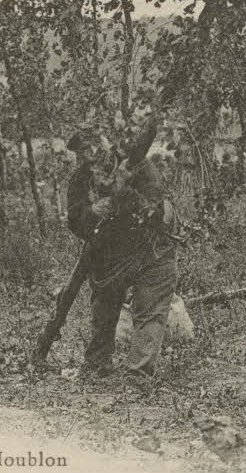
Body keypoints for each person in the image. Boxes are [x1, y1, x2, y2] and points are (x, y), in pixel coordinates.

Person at [65, 110, 181, 379]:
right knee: (103, 300)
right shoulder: (81, 178)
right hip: (113, 251)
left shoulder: (137, 165)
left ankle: (138, 375)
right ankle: (97, 364)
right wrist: (93, 211)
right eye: (79, 153)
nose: (82, 157)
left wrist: (122, 195)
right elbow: (74, 220)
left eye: (86, 149)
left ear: (104, 142)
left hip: (153, 244)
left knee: (150, 305)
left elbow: (153, 210)